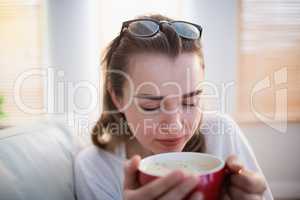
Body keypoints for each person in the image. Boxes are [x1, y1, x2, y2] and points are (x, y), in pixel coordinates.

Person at [74, 14, 273, 200]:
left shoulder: (221, 135)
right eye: (150, 106)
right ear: (117, 98)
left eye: (190, 102)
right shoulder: (95, 168)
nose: (175, 126)